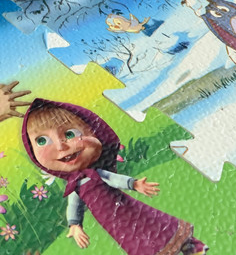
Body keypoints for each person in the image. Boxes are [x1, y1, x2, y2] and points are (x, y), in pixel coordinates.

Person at [22, 98, 207, 254]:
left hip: (127, 209)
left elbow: (112, 179)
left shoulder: (96, 174)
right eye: (42, 141)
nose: (61, 146)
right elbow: (74, 205)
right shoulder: (75, 185)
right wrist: (75, 225)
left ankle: (192, 247)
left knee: (153, 224)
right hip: (114, 224)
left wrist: (134, 184)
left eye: (70, 134)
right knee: (134, 241)